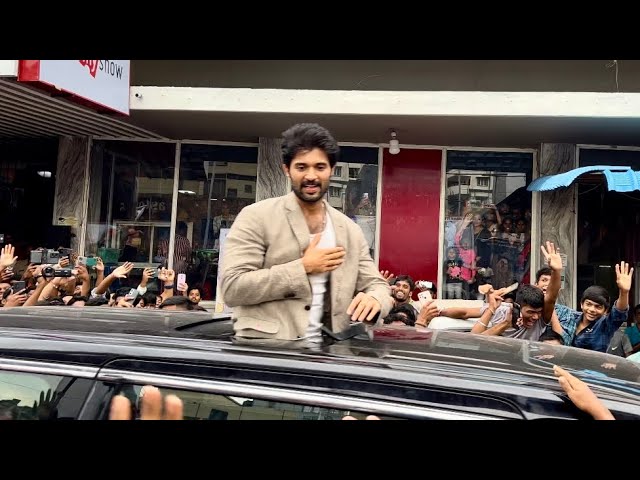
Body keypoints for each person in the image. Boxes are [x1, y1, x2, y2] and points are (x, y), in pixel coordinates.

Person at [221, 123, 392, 341]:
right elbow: (233, 288)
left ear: (331, 169)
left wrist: (376, 299)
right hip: (268, 354)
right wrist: (303, 267)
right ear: (287, 169)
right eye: (301, 167)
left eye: (320, 167)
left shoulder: (349, 230)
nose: (311, 176)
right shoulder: (256, 216)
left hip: (329, 356)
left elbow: (376, 284)